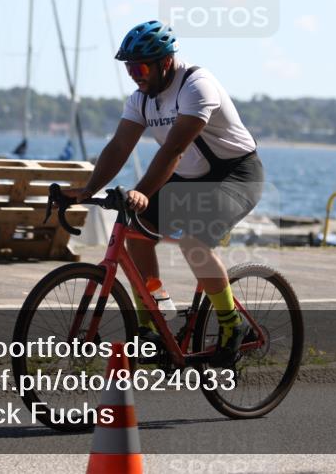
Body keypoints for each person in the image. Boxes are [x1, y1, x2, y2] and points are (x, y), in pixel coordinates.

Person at [63, 20, 263, 366]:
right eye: (128, 68)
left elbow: (173, 151)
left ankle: (233, 325)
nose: (133, 75)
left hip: (235, 175)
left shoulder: (196, 86)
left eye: (139, 67)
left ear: (165, 62)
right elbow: (120, 145)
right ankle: (152, 321)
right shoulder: (141, 99)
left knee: (193, 243)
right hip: (187, 178)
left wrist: (140, 192)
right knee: (136, 236)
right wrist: (88, 189)